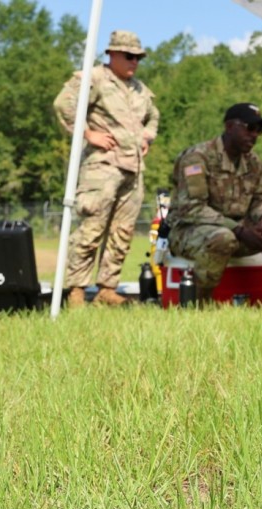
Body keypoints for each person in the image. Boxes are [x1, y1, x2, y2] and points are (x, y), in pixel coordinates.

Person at [54, 30, 160, 308]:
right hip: (102, 167)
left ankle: (107, 289)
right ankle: (76, 290)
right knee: (92, 228)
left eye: (138, 57)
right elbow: (64, 104)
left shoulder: (139, 88)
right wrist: (88, 134)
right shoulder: (94, 78)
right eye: (128, 56)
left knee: (122, 232)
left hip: (133, 169)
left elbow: (153, 116)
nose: (134, 62)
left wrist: (146, 137)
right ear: (112, 54)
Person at [162, 103, 262, 303]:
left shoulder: (252, 161)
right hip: (190, 231)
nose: (254, 135)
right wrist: (239, 230)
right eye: (250, 128)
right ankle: (200, 303)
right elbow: (193, 209)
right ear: (229, 126)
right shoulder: (197, 158)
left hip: (237, 231)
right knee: (223, 237)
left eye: (259, 130)